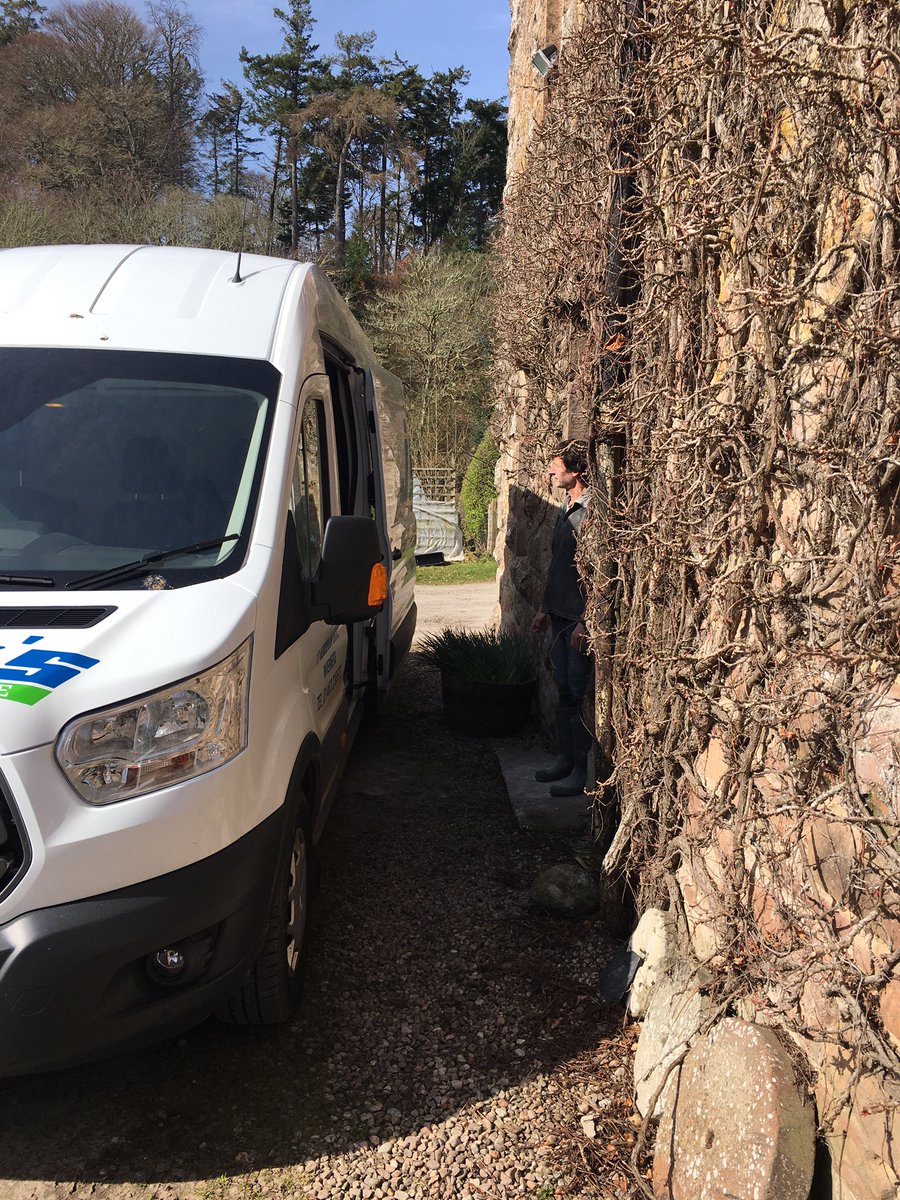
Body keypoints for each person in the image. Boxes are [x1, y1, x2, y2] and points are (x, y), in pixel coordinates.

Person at [531, 439, 595, 797]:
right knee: (563, 687)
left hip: (577, 617)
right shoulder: (565, 506)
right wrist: (543, 608)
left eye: (556, 465)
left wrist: (587, 619)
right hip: (558, 612)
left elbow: (599, 570)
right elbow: (557, 565)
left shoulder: (590, 511)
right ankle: (566, 760)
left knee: (578, 687)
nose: (551, 471)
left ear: (576, 470)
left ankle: (581, 772)